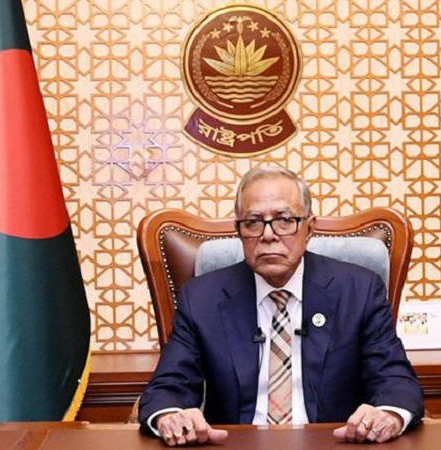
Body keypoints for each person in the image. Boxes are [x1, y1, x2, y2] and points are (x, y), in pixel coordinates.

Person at [139, 165, 424, 446]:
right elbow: (168, 388)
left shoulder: (359, 291)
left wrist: (387, 414)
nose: (268, 235)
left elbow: (396, 381)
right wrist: (171, 416)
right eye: (253, 222)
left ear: (309, 228)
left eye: (285, 220)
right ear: (239, 231)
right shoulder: (201, 298)